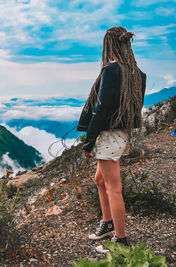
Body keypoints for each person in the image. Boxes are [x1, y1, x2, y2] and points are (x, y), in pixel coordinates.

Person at [76, 26, 146, 253]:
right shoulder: (137, 74)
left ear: (109, 45)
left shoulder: (111, 70)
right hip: (122, 134)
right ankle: (107, 223)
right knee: (100, 180)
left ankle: (121, 240)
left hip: (108, 135)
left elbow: (101, 109)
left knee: (114, 188)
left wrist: (89, 140)